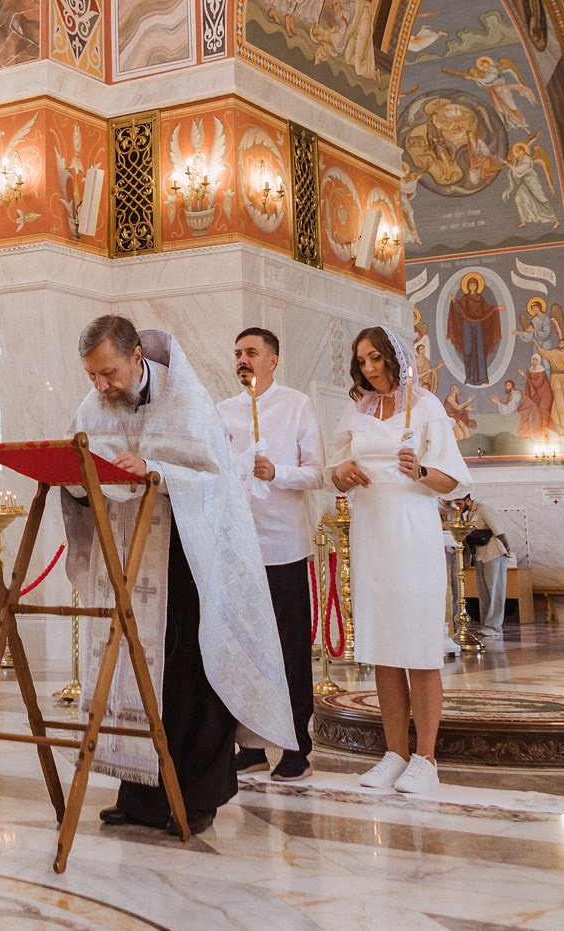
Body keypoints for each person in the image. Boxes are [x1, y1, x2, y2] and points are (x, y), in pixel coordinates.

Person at [67, 315, 294, 835]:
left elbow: (214, 480)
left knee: (189, 678)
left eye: (109, 374)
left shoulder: (187, 402)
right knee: (134, 674)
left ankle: (196, 796)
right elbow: (77, 464)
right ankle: (141, 794)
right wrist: (79, 479)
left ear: (136, 359)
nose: (101, 387)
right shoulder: (91, 406)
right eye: (92, 376)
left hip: (186, 559)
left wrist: (154, 470)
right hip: (128, 558)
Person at [328, 324, 469, 795]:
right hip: (372, 533)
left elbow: (452, 478)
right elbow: (336, 469)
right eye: (361, 361)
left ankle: (426, 759)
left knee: (419, 649)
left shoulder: (425, 406)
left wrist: (422, 470)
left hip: (413, 531)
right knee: (385, 649)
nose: (368, 369)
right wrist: (343, 474)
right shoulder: (358, 409)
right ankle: (394, 753)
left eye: (375, 359)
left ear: (394, 358)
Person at [215, 326, 324, 781]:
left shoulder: (297, 405)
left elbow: (317, 473)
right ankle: (251, 744)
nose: (243, 360)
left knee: (290, 649)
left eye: (252, 352)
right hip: (240, 548)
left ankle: (297, 744)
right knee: (245, 648)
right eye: (238, 352)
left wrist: (275, 471)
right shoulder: (223, 412)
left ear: (273, 360)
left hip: (283, 547)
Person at [457, 491, 510, 643]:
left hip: (494, 553)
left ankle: (495, 626)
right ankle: (486, 624)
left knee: (495, 590)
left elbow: (498, 530)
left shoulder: (484, 509)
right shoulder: (468, 514)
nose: (458, 508)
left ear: (467, 500)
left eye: (460, 504)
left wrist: (507, 547)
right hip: (481, 556)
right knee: (483, 591)